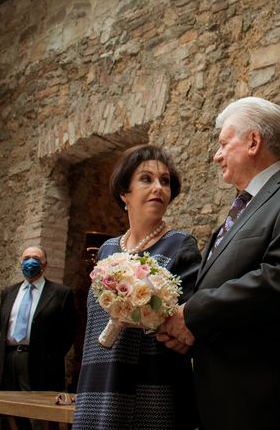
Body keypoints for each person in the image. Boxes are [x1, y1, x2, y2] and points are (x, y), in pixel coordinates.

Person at [158, 97, 280, 429]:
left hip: (273, 399)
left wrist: (191, 316)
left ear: (253, 141)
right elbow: (214, 287)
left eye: (225, 143)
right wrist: (184, 326)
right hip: (228, 399)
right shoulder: (240, 209)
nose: (216, 155)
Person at [72, 144, 201, 430]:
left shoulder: (181, 246)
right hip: (98, 383)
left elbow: (185, 325)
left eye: (164, 181)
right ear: (124, 193)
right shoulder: (106, 250)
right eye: (146, 179)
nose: (158, 187)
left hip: (151, 387)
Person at [0, 245, 76, 430]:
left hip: (41, 362)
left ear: (44, 264)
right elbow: (3, 326)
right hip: (10, 359)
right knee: (9, 414)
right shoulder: (8, 293)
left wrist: (51, 356)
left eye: (36, 258)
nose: (31, 262)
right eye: (27, 258)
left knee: (39, 417)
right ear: (20, 262)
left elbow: (69, 331)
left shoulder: (60, 294)